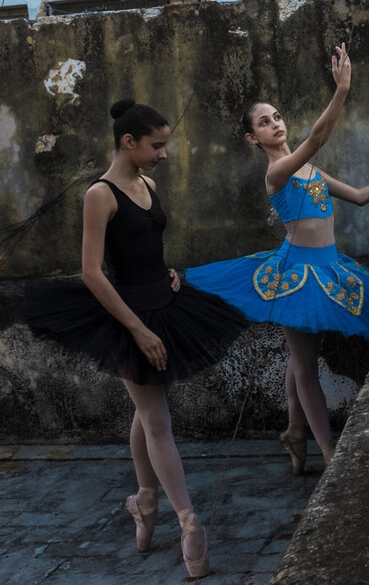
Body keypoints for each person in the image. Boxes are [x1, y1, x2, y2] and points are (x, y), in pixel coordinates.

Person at [23, 100, 247, 579]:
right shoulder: (99, 195)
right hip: (126, 316)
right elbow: (91, 273)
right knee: (156, 418)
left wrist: (165, 273)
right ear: (129, 142)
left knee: (147, 409)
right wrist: (138, 329)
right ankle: (189, 523)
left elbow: (146, 247)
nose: (164, 154)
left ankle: (143, 501)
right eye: (157, 145)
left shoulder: (146, 184)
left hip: (164, 306)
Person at [185, 43, 369, 475]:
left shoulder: (311, 172)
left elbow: (359, 197)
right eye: (264, 122)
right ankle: (329, 451)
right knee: (305, 367)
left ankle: (295, 434)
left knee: (302, 363)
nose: (275, 124)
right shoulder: (277, 172)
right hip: (296, 273)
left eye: (276, 117)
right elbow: (316, 138)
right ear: (251, 138)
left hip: (330, 267)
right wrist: (342, 90)